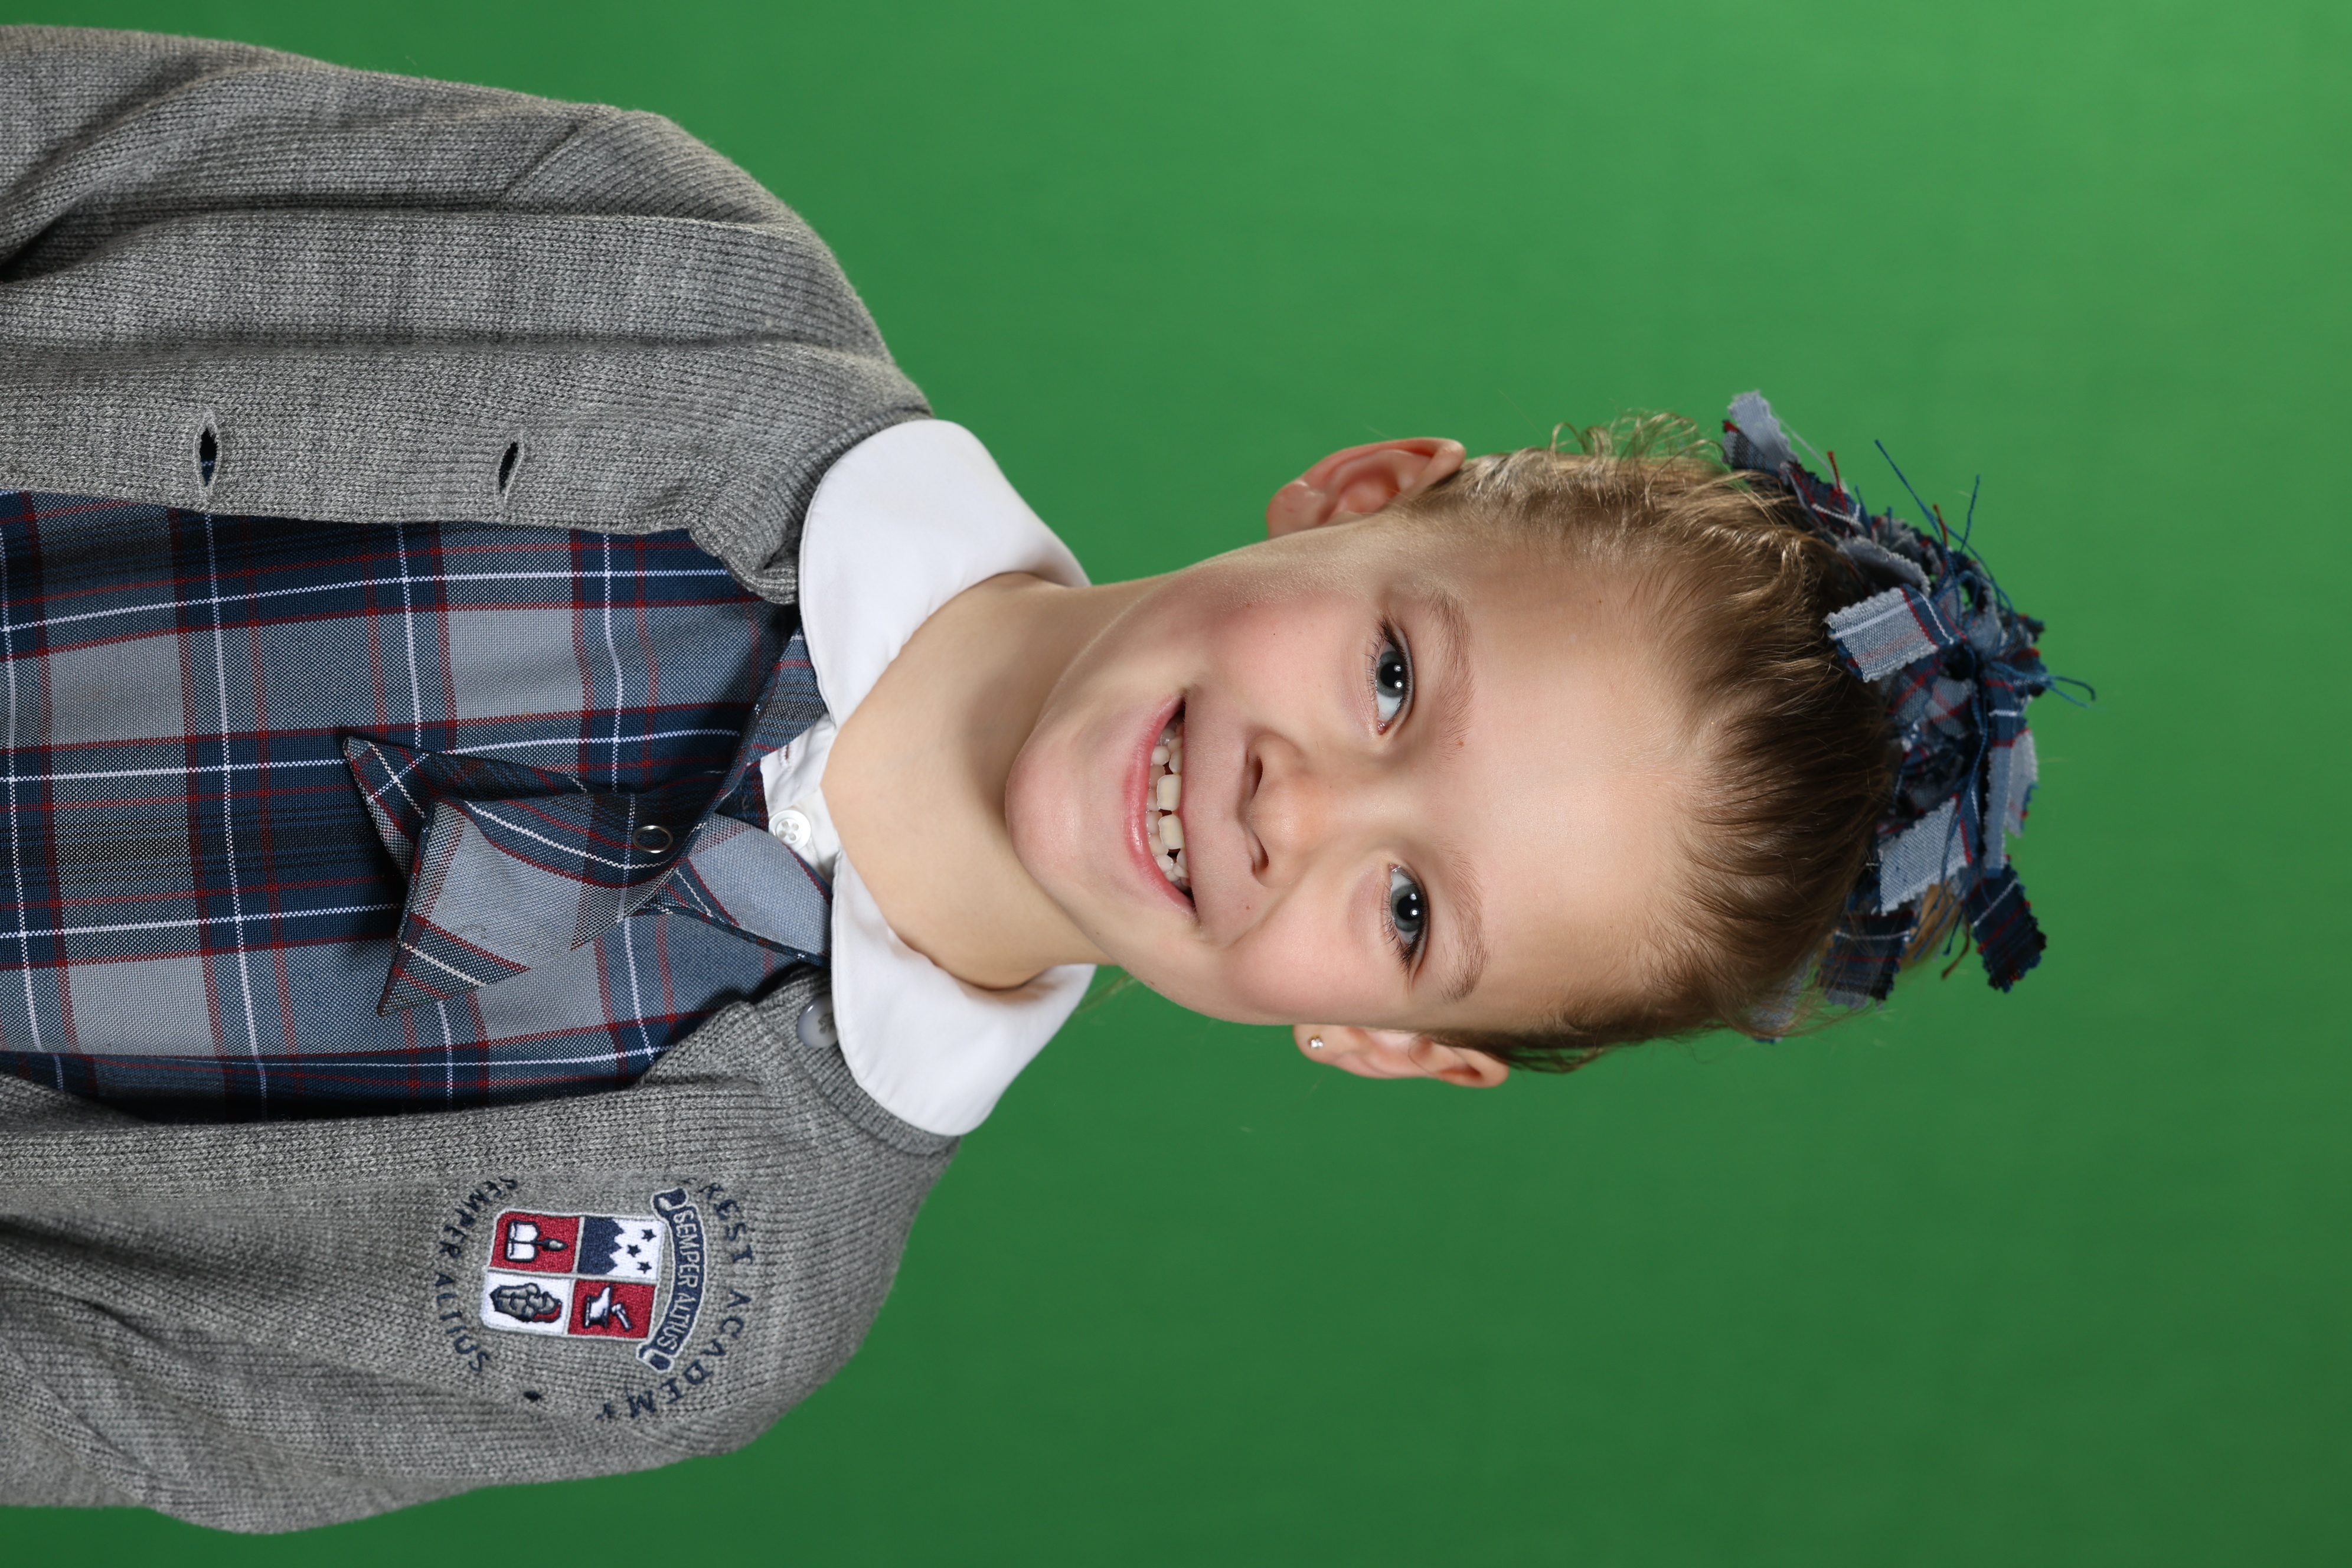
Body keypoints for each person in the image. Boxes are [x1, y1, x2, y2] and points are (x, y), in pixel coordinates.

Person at [0, 27, 2057, 1531]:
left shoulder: (721, 1306)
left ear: (1379, 1039)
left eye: (1412, 908)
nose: (1296, 809)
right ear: (1365, 493)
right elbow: (64, 149)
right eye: (1393, 679)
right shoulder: (677, 280)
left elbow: (108, 1393)